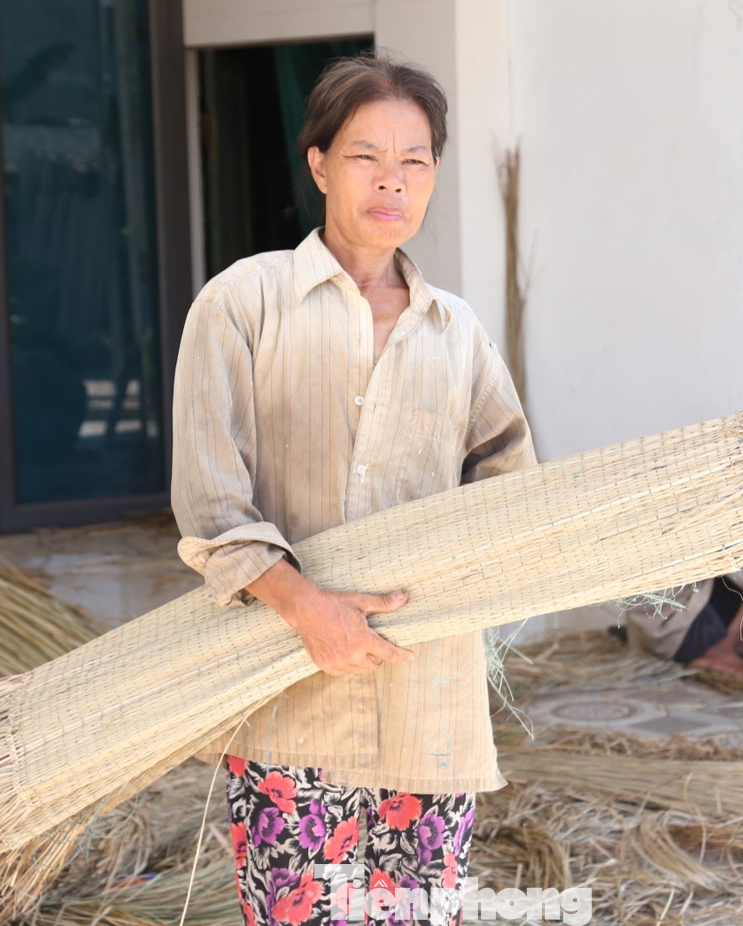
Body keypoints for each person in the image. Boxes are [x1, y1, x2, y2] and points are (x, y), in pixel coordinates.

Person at [171, 54, 534, 926]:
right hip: (288, 700)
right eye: (366, 155)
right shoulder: (241, 304)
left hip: (428, 703)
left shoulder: (457, 332)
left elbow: (508, 488)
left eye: (414, 160)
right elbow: (211, 503)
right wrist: (308, 608)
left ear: (434, 175)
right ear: (320, 165)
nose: (391, 180)